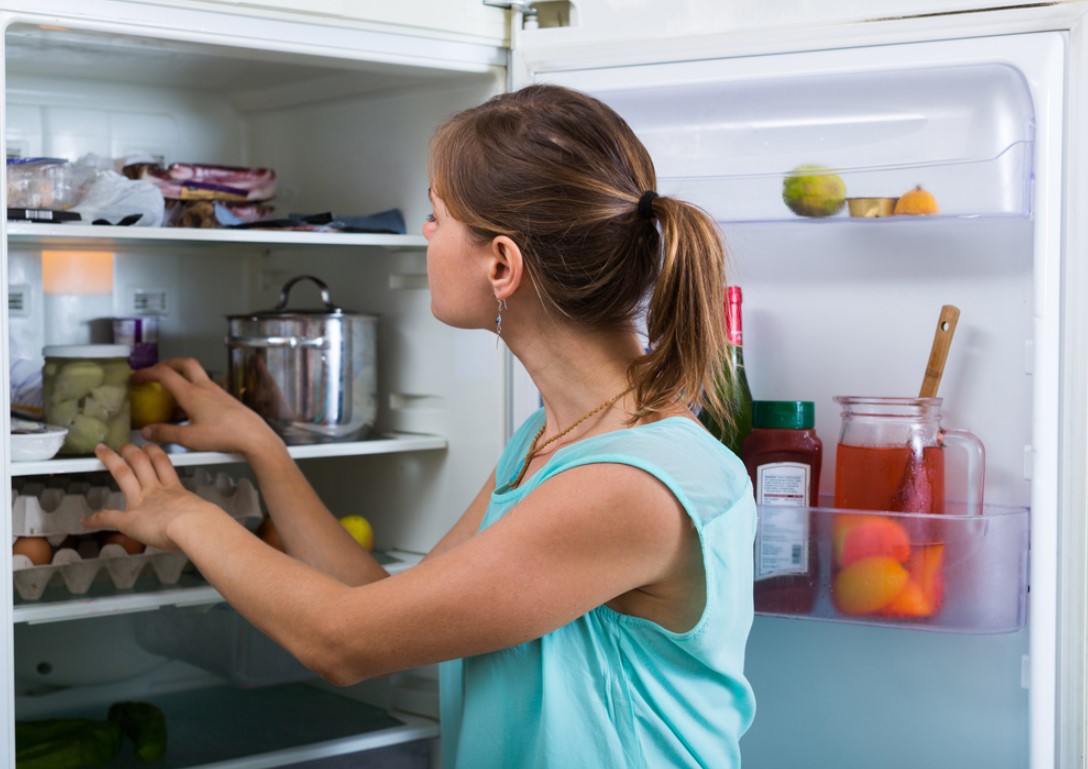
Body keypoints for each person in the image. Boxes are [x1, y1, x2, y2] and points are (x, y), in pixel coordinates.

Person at [83, 83, 757, 768]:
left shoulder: (630, 485)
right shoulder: (552, 438)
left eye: (437, 216)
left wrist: (185, 516)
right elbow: (378, 607)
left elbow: (341, 641)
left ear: (501, 264)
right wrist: (263, 445)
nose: (426, 234)